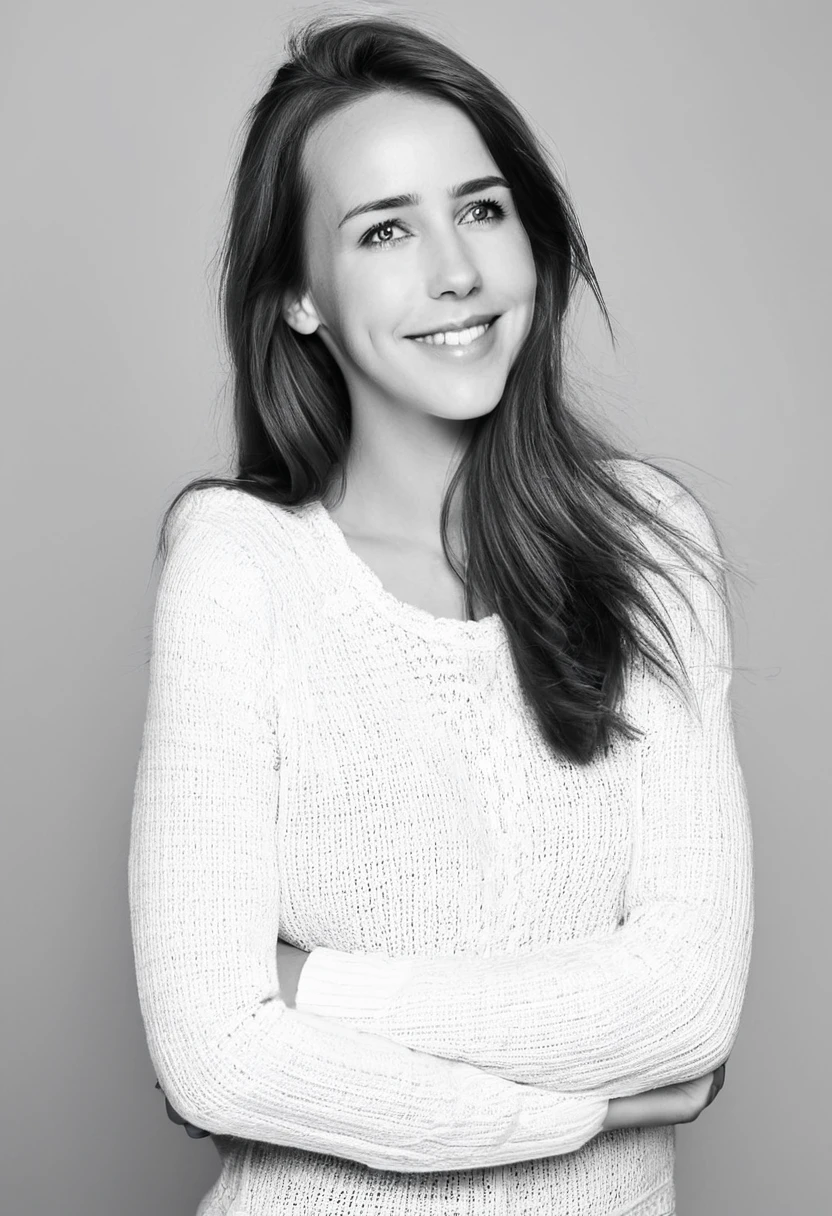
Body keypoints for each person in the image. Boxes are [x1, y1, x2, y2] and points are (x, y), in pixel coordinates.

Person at [128, 13, 753, 1216]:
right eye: (383, 230)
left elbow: (683, 1004)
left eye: (479, 209)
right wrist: (582, 1110)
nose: (454, 272)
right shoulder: (239, 566)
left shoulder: (651, 542)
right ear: (300, 297)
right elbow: (210, 1053)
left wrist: (310, 990)